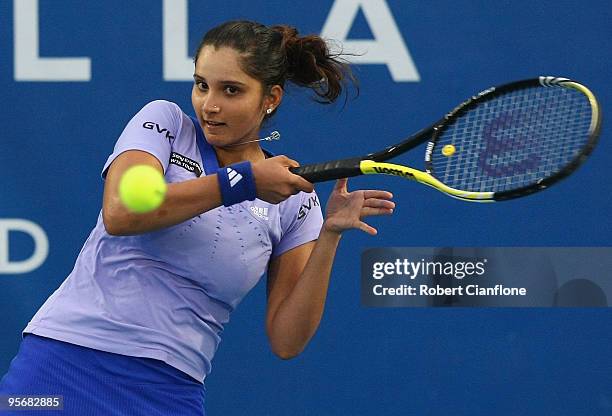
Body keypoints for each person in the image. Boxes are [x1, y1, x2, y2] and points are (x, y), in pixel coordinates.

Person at [0, 20, 394, 415]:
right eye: (202, 84)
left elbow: (286, 340)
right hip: (62, 366)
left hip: (171, 391)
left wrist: (329, 235)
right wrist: (244, 181)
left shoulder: (294, 203)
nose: (210, 104)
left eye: (231, 90)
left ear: (270, 98)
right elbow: (121, 212)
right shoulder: (165, 125)